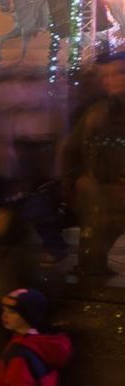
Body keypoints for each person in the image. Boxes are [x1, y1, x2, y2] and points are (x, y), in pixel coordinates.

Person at [61, 53, 125, 275]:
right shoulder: (97, 113)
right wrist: (75, 182)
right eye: (106, 75)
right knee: (92, 264)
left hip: (114, 197)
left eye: (118, 73)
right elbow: (72, 149)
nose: (111, 79)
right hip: (100, 201)